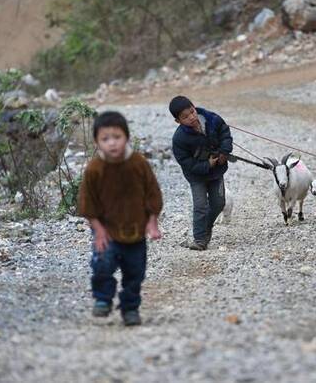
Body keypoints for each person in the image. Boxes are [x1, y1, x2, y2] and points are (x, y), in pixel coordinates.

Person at [78, 111, 163, 325]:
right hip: (106, 231)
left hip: (136, 229)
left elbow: (153, 193)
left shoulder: (138, 163)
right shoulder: (94, 169)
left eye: (117, 137)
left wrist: (152, 222)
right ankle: (103, 299)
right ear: (97, 142)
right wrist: (98, 229)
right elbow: (87, 203)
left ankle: (130, 307)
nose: (112, 144)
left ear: (126, 137)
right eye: (105, 139)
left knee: (136, 272)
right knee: (102, 265)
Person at [169, 95, 232, 251]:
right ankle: (199, 239)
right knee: (200, 206)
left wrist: (225, 151)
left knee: (219, 203)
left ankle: (206, 227)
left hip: (216, 172)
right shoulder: (179, 139)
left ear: (194, 107)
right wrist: (207, 164)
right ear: (178, 121)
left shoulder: (212, 119)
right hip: (196, 176)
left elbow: (225, 133)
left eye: (192, 111)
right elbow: (186, 163)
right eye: (185, 117)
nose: (191, 117)